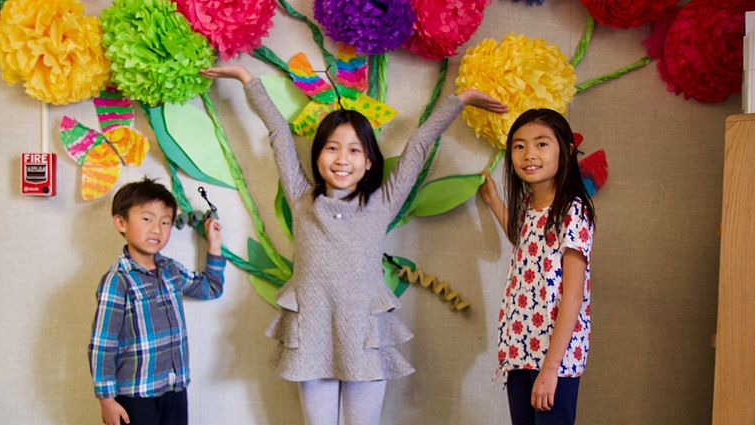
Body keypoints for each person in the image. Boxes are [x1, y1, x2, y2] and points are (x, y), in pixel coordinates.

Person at [200, 65, 507, 425]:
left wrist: (461, 100)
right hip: (312, 338)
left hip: (362, 339)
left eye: (354, 150)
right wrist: (245, 78)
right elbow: (279, 133)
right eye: (332, 148)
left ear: (369, 161)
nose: (342, 159)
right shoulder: (302, 200)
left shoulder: (382, 203)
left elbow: (420, 143)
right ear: (317, 156)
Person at [477, 109, 595, 425]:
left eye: (541, 144)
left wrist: (551, 368)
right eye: (519, 146)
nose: (529, 154)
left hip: (554, 357)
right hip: (520, 348)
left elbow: (572, 297)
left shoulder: (573, 210)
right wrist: (494, 202)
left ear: (566, 151)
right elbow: (524, 240)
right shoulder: (530, 204)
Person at [88, 177, 225, 425]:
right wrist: (106, 400)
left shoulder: (170, 270)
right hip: (135, 396)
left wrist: (214, 245)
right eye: (147, 219)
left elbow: (210, 288)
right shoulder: (117, 281)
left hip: (174, 388)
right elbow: (103, 346)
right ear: (121, 222)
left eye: (166, 222)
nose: (157, 229)